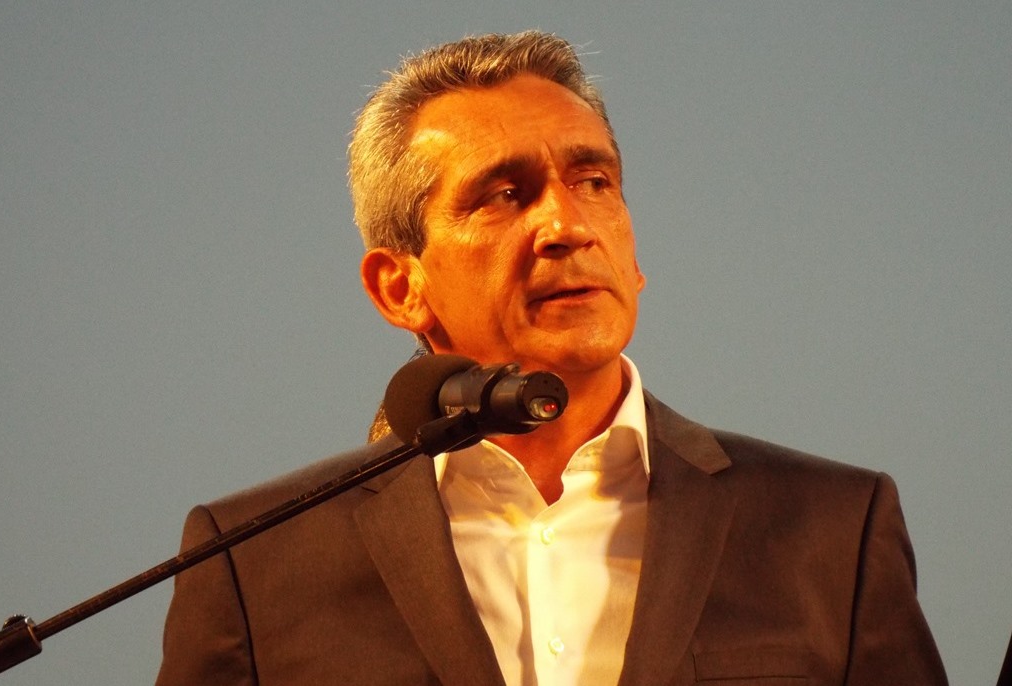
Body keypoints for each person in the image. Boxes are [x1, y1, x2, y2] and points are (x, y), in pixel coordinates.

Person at [155, 31, 948, 685]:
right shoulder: (254, 561)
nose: (568, 226)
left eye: (594, 181)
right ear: (400, 286)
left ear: (634, 255)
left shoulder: (832, 530)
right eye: (504, 195)